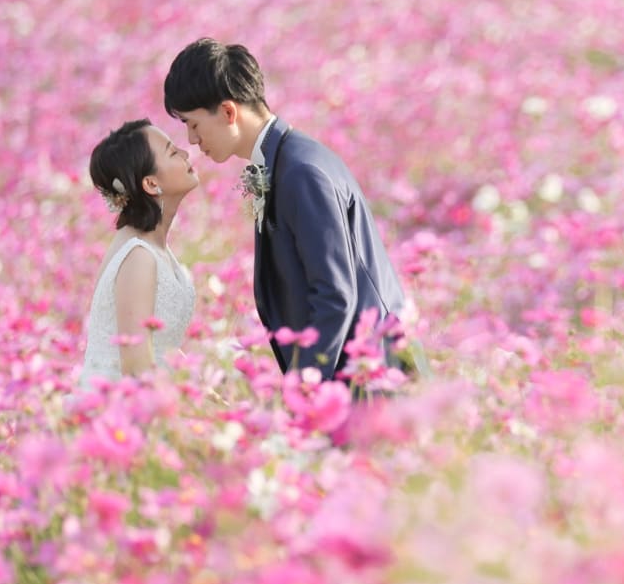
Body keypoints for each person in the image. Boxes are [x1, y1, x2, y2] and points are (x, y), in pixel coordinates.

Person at [163, 39, 419, 383]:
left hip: (368, 381)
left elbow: (335, 295)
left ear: (228, 112)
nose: (192, 140)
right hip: (355, 374)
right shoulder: (287, 161)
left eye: (193, 124)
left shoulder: (301, 171)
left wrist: (306, 387)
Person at [79, 119, 199, 389]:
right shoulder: (138, 256)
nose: (185, 152)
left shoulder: (154, 248)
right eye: (172, 152)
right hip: (122, 411)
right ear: (150, 183)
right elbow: (135, 367)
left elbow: (161, 347)